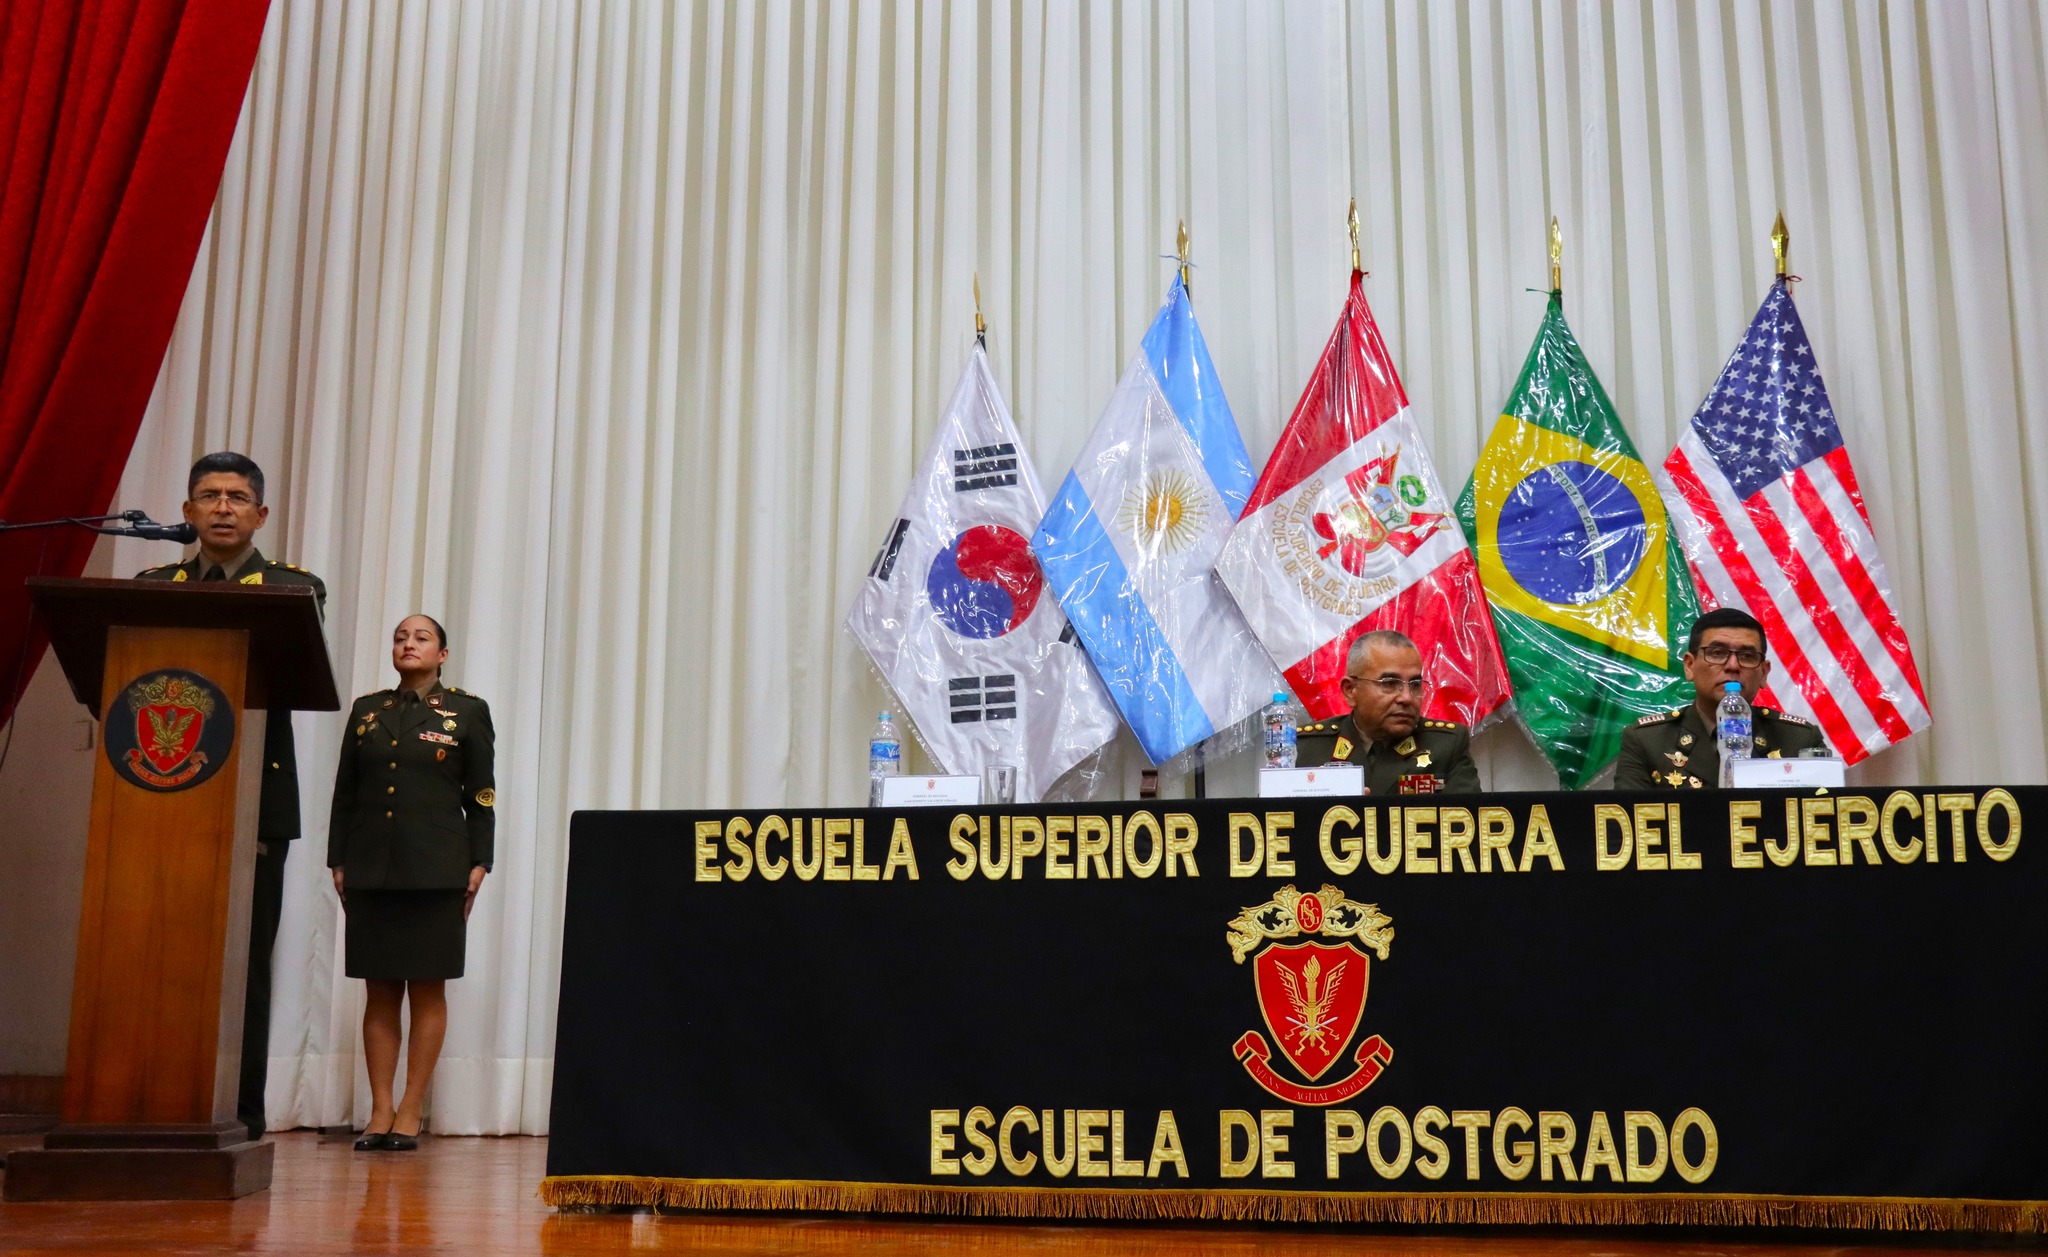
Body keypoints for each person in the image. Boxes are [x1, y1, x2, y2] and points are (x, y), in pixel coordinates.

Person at [135, 451, 324, 1142]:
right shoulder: (153, 586)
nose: (222, 508)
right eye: (209, 496)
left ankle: (242, 1110)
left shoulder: (292, 588)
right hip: (159, 797)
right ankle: (147, 1099)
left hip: (253, 802)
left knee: (244, 966)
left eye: (237, 497)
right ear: (187, 511)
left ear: (260, 514)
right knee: (155, 952)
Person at [329, 614, 495, 1151]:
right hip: (372, 864)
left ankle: (410, 1108)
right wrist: (338, 859)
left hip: (437, 868)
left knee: (427, 988)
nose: (408, 644)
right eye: (400, 637)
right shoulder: (367, 711)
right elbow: (345, 792)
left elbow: (482, 795)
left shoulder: (467, 712)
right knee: (379, 990)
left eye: (421, 638)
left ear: (442, 654)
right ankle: (379, 1109)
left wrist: (481, 861)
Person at [1613, 606, 1829, 789]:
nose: (1733, 666)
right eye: (1717, 653)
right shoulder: (1647, 741)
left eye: (1747, 656)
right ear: (1689, 666)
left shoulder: (1798, 740)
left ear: (1764, 673)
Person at [1296, 630, 1480, 794]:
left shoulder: (1446, 745)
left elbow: (1467, 819)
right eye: (1390, 684)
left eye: (1415, 685)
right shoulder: (1306, 749)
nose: (1406, 698)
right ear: (1350, 690)